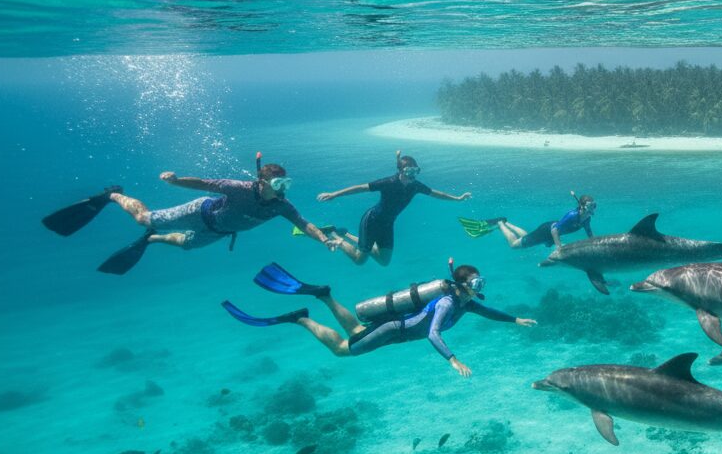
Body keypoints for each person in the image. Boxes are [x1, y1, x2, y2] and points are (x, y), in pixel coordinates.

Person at [221, 261, 535, 377]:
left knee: (356, 329)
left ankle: (324, 296)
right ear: (463, 284)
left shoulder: (465, 303)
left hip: (393, 330)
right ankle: (301, 319)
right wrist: (453, 360)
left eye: (481, 281)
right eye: (476, 282)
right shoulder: (446, 303)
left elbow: (489, 312)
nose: (480, 286)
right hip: (391, 330)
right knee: (343, 349)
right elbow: (433, 334)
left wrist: (515, 320)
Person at [41, 157, 338, 274]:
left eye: (286, 184)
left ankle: (152, 239)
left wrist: (324, 240)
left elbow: (304, 224)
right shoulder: (238, 188)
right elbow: (204, 183)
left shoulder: (282, 206)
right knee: (144, 218)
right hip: (199, 212)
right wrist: (175, 181)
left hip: (219, 231)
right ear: (261, 182)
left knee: (185, 245)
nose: (283, 189)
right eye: (278, 184)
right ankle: (113, 195)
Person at [310, 152, 472, 266]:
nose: (412, 175)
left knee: (384, 261)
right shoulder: (388, 182)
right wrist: (334, 194)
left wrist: (457, 198)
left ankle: (345, 234)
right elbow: (360, 188)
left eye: (415, 171)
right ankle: (337, 237)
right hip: (371, 221)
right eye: (409, 171)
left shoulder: (415, 186)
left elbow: (437, 194)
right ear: (400, 171)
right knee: (360, 260)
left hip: (387, 225)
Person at [461, 191, 596, 250]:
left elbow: (589, 233)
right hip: (547, 231)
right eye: (590, 206)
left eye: (594, 206)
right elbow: (555, 230)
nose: (592, 209)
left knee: (526, 237)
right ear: (582, 206)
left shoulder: (586, 218)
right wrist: (558, 247)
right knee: (514, 245)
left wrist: (594, 243)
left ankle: (506, 223)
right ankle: (500, 223)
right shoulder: (572, 215)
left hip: (549, 233)